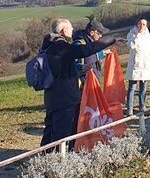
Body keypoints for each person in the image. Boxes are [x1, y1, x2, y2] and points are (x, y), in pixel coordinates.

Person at [40, 18, 116, 147]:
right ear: (64, 31)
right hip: (65, 97)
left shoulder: (47, 46)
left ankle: (44, 157)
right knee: (64, 133)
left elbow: (62, 68)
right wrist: (111, 39)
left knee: (50, 130)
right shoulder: (61, 46)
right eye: (70, 28)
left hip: (51, 96)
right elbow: (84, 51)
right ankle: (61, 160)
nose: (72, 31)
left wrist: (79, 69)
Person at [126, 18, 150, 114]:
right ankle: (129, 109)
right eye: (140, 24)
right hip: (135, 65)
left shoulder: (149, 36)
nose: (141, 26)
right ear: (137, 24)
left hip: (145, 66)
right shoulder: (131, 34)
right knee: (132, 88)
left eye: (144, 24)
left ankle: (142, 107)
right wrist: (137, 36)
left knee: (143, 88)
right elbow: (131, 45)